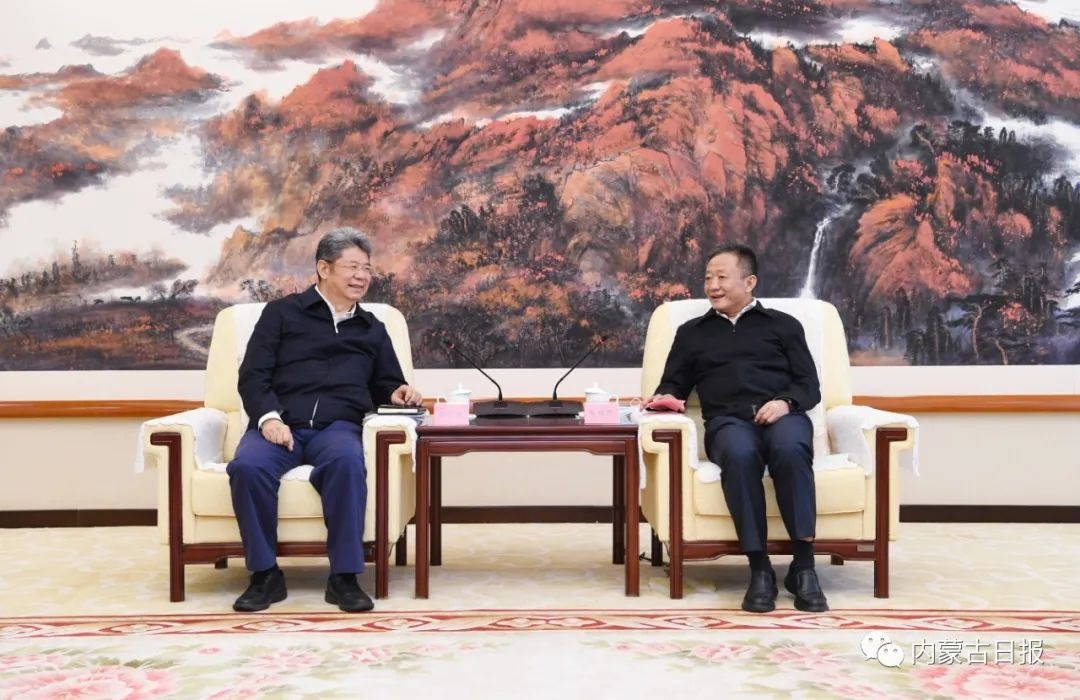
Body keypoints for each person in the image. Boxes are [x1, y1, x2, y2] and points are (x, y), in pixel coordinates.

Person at [227, 227, 422, 613]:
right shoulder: (282, 313)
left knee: (348, 463)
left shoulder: (372, 328)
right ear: (324, 268)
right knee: (247, 467)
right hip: (280, 423)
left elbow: (386, 382)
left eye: (366, 269)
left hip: (338, 428)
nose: (361, 276)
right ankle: (265, 575)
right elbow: (253, 375)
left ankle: (344, 577)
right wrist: (268, 419)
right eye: (352, 267)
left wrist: (397, 391)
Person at [644, 243, 827, 613]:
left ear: (750, 281)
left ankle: (804, 566)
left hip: (783, 416)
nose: (712, 285)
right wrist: (663, 400)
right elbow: (673, 385)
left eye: (722, 277)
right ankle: (759, 568)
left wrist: (785, 403)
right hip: (728, 421)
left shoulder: (783, 325)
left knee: (790, 449)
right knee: (740, 455)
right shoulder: (692, 333)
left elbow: (809, 386)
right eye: (708, 278)